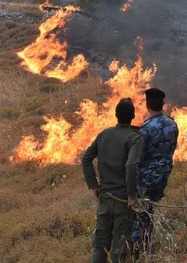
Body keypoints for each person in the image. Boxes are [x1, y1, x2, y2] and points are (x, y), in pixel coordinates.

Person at [82, 98, 144, 263]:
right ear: (133, 116)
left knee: (100, 246)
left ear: (116, 115)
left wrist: (94, 186)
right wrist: (131, 195)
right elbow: (131, 166)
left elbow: (86, 158)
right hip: (123, 200)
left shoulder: (104, 135)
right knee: (120, 247)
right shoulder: (135, 137)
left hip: (105, 198)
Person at [132, 87, 179, 257]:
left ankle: (139, 252)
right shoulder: (172, 124)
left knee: (140, 213)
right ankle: (146, 244)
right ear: (163, 104)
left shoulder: (146, 129)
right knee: (149, 210)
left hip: (147, 178)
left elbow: (139, 157)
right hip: (164, 175)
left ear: (147, 105)